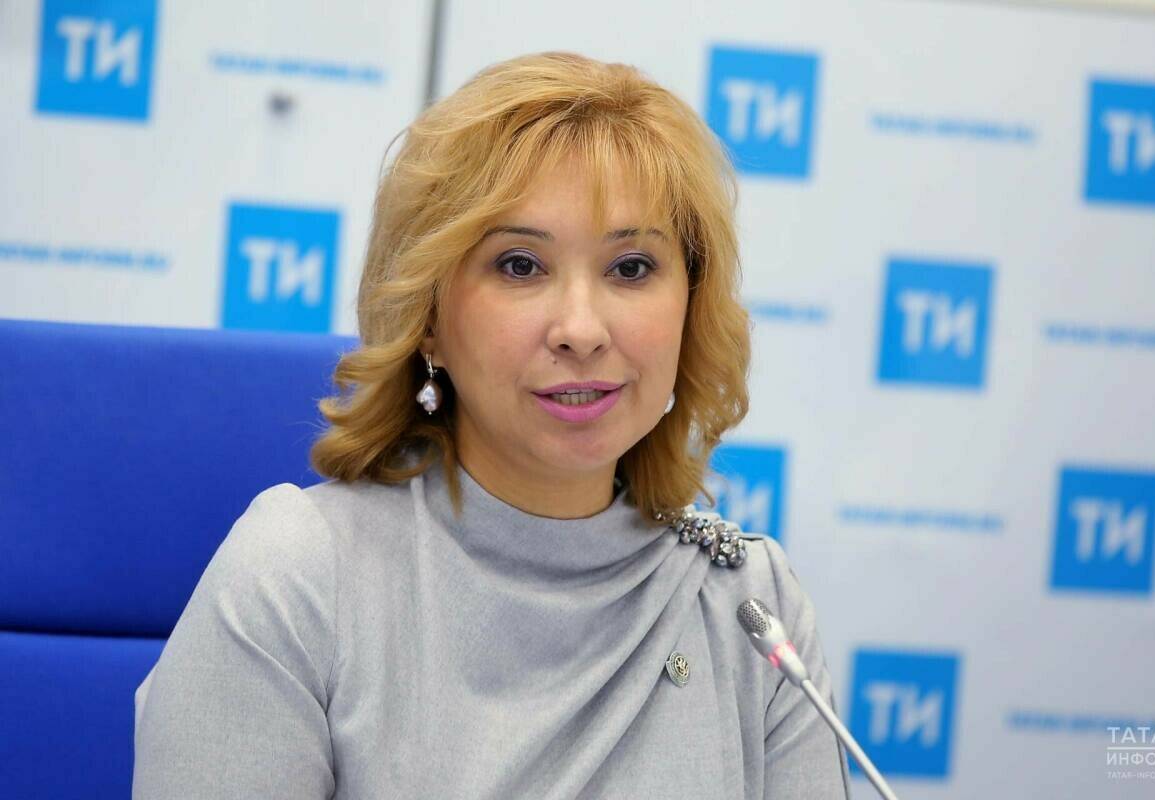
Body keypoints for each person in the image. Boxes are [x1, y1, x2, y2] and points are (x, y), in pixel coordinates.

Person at [132, 50, 850, 799]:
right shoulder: (303, 572)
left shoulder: (751, 606)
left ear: (689, 309)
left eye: (631, 268)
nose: (581, 330)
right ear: (428, 319)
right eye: (520, 266)